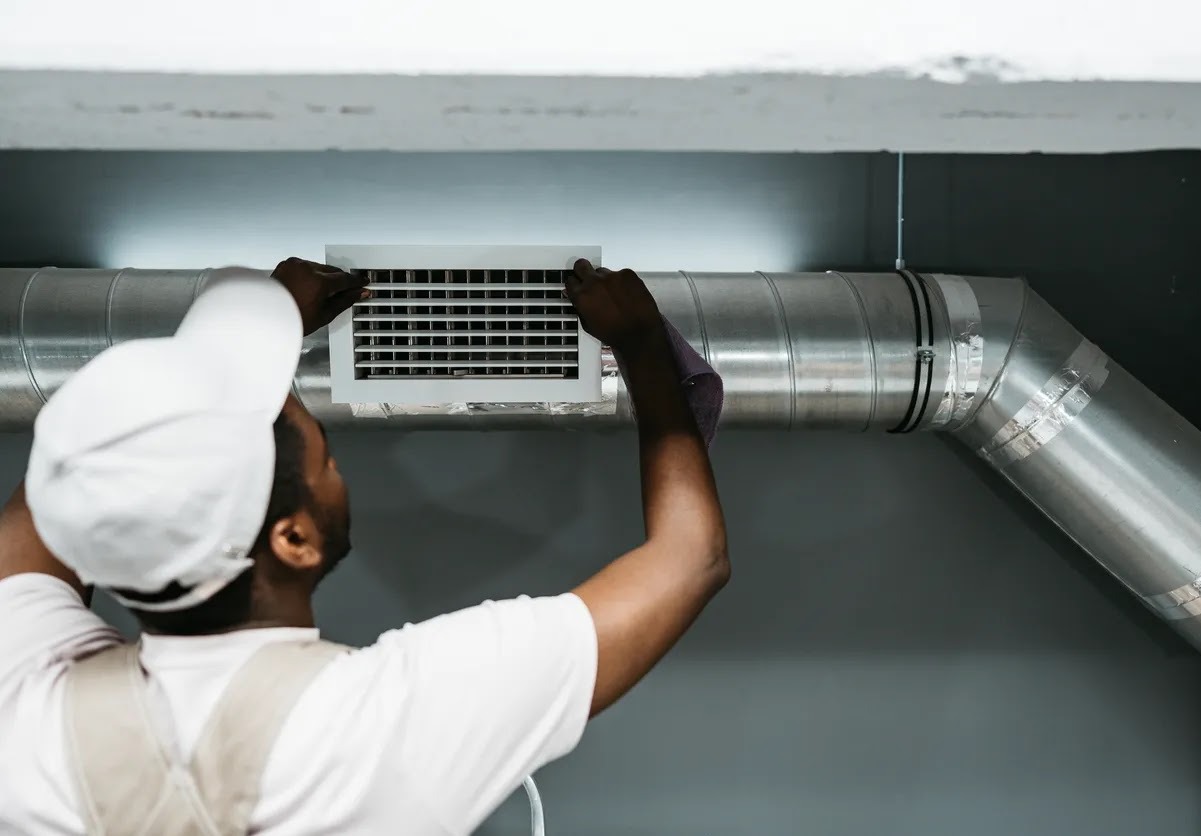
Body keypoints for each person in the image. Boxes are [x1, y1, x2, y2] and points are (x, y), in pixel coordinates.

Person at [0, 258, 729, 835]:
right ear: (294, 539)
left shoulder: (24, 705)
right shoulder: (379, 728)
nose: (331, 457)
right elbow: (688, 556)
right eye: (323, 453)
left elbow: (81, 474)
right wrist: (642, 345)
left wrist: (252, 340)